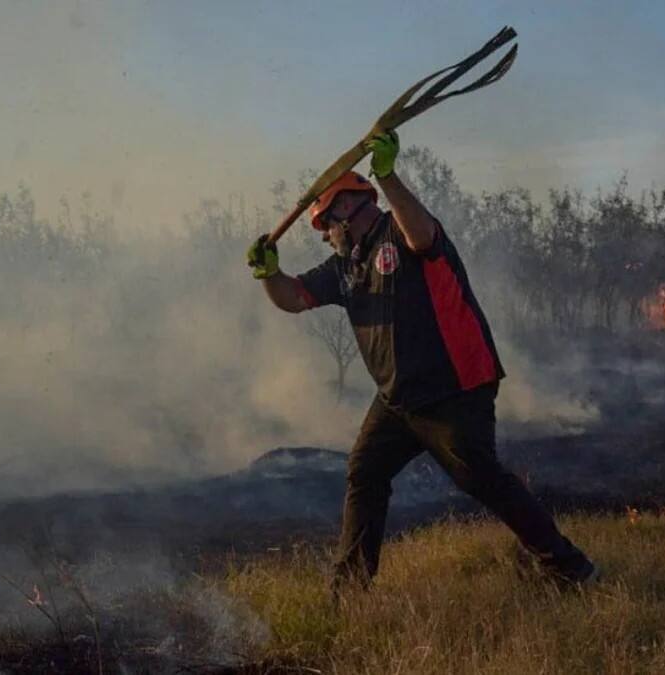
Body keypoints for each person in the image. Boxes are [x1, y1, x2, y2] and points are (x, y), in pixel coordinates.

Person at [246, 130, 598, 589]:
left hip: (454, 388)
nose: (325, 237)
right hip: (398, 400)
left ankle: (570, 568)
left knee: (483, 480)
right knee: (365, 474)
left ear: (347, 210)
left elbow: (422, 234)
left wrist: (388, 176)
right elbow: (292, 298)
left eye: (326, 226)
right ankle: (350, 591)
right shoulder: (344, 267)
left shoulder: (402, 229)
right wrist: (270, 275)